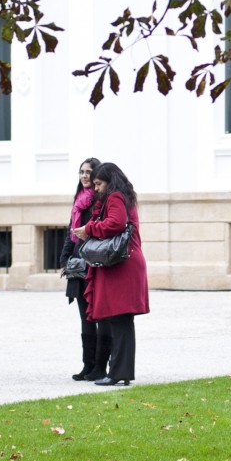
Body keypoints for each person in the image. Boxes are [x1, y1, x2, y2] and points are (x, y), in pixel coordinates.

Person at [75, 162, 149, 386]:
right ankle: (121, 372)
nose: (96, 188)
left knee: (120, 319)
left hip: (123, 266)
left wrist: (89, 229)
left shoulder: (115, 196)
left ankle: (119, 373)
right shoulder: (123, 195)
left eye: (99, 183)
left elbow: (116, 223)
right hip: (127, 263)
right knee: (122, 320)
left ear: (109, 181)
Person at [58, 157, 112, 381]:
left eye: (89, 172)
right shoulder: (79, 202)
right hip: (78, 267)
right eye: (81, 172)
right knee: (85, 318)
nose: (84, 176)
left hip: (95, 267)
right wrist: (64, 260)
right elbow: (72, 233)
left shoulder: (100, 201)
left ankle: (100, 366)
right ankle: (87, 366)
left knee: (99, 317)